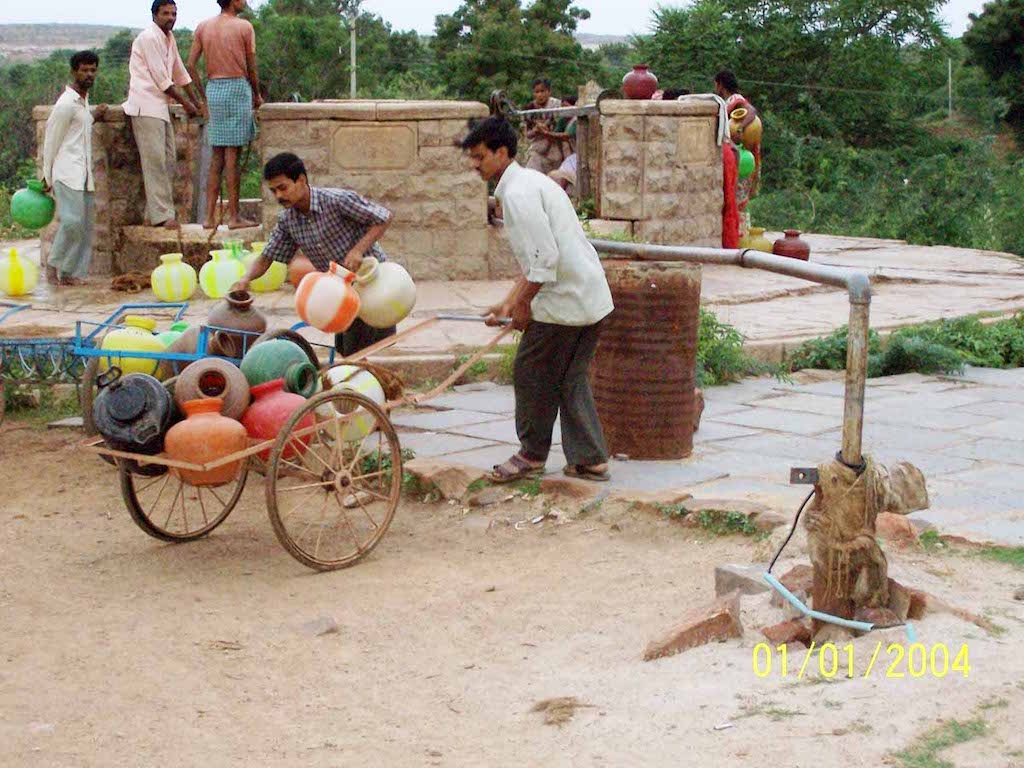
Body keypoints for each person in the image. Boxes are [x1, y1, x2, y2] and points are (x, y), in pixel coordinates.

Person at [461, 117, 614, 484]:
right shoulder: (530, 183)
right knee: (570, 378)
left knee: (531, 373)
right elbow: (535, 259)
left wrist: (523, 305)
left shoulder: (517, 193)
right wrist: (507, 302)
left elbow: (544, 259)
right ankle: (590, 459)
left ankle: (531, 455)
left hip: (565, 302)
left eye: (480, 157)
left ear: (502, 153)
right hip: (590, 296)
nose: (475, 165)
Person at [233, 153, 396, 356]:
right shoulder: (288, 221)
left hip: (371, 283)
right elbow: (268, 256)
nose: (278, 196)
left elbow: (383, 217)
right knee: (345, 349)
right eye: (273, 191)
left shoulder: (337, 200)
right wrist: (245, 279)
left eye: (282, 188)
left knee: (367, 349)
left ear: (301, 180)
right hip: (340, 291)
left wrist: (358, 250)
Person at [123, 0, 202, 230]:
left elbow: (180, 72)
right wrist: (187, 104)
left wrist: (198, 101)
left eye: (174, 13)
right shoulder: (149, 38)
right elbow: (162, 80)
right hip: (145, 105)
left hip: (160, 107)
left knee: (168, 160)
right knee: (155, 161)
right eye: (166, 13)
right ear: (155, 15)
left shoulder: (169, 38)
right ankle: (163, 216)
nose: (171, 17)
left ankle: (153, 212)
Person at [186, 0, 263, 230]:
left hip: (214, 89)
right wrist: (257, 95)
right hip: (237, 88)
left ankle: (209, 217)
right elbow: (251, 67)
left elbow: (190, 65)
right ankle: (234, 217)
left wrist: (203, 96)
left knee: (217, 155)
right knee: (233, 156)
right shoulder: (244, 27)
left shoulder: (203, 26)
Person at [41, 51, 107, 286]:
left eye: (92, 70)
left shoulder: (82, 102)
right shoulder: (66, 103)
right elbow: (52, 140)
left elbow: (79, 127)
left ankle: (69, 273)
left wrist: (94, 116)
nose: (89, 74)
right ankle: (53, 266)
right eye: (84, 70)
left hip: (83, 174)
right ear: (74, 72)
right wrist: (46, 176)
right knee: (71, 222)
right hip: (67, 173)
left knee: (85, 227)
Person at [713, 69, 761, 211]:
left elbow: (751, 111)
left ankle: (740, 230)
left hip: (742, 158)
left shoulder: (736, 100)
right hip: (735, 156)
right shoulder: (726, 102)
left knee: (737, 199)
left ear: (721, 85)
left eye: (716, 85)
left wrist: (740, 129)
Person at [523, 77, 564, 175]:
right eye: (537, 92)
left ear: (549, 91)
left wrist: (548, 129)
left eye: (542, 91)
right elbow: (528, 134)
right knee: (531, 176)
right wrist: (536, 130)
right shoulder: (530, 109)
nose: (540, 95)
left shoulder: (557, 105)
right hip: (538, 150)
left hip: (556, 150)